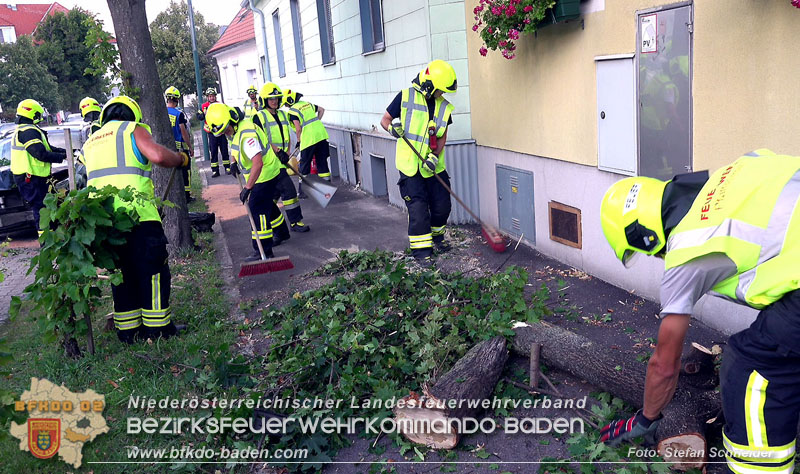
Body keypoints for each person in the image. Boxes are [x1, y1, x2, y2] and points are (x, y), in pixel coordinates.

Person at [598, 149, 800, 474]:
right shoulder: (731, 173)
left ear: (645, 236)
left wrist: (647, 418)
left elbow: (665, 365)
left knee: (749, 365)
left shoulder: (686, 251)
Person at [82, 95, 188, 343]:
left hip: (107, 223)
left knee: (122, 275)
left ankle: (129, 333)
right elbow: (158, 157)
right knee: (152, 272)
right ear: (133, 115)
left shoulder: (91, 141)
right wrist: (180, 159)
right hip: (139, 217)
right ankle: (158, 330)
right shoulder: (132, 128)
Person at [379, 59, 457, 267]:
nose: (443, 94)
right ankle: (422, 251)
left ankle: (437, 237)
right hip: (410, 167)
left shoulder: (444, 107)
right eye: (440, 90)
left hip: (434, 167)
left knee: (442, 207)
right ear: (430, 85)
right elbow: (385, 120)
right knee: (419, 209)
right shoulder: (405, 97)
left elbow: (442, 136)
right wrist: (392, 129)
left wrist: (434, 156)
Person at [205, 102, 290, 261]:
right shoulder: (235, 128)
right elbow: (233, 144)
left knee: (257, 209)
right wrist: (233, 162)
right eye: (222, 132)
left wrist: (248, 188)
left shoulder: (246, 135)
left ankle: (263, 250)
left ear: (230, 121)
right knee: (267, 204)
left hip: (264, 174)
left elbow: (258, 163)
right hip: (263, 173)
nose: (225, 133)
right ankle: (282, 232)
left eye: (226, 130)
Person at [254, 82, 310, 237]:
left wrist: (287, 152)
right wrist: (277, 151)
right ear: (265, 100)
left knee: (273, 195)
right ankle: (295, 222)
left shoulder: (283, 115)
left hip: (281, 160)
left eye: (277, 99)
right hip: (269, 163)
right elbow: (262, 138)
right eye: (271, 99)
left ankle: (276, 227)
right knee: (289, 191)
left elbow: (287, 133)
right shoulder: (259, 117)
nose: (274, 101)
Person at [10, 99, 67, 238]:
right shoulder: (28, 131)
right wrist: (62, 157)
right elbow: (40, 153)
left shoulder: (28, 130)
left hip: (35, 177)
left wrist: (67, 153)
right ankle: (46, 242)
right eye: (38, 114)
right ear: (32, 114)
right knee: (41, 210)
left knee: (49, 206)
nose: (40, 118)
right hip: (31, 178)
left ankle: (54, 239)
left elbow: (47, 148)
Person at [283, 89, 331, 199]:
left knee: (304, 165)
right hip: (321, 135)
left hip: (308, 139)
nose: (286, 106)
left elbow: (298, 129)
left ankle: (302, 191)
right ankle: (327, 191)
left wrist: (299, 141)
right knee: (322, 163)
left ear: (289, 101)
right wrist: (316, 122)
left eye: (286, 103)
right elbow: (322, 110)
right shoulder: (307, 104)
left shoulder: (293, 111)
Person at [165, 86, 195, 203]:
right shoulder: (179, 114)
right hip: (180, 149)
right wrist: (190, 147)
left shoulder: (162, 113)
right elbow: (183, 132)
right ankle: (187, 197)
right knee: (185, 172)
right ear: (177, 99)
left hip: (167, 149)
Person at [200, 87, 230, 177]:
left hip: (221, 130)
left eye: (213, 96)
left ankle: (227, 167)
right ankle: (215, 170)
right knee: (213, 151)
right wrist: (203, 114)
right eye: (210, 96)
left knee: (224, 149)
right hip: (211, 132)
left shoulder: (220, 104)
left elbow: (227, 112)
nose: (212, 98)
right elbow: (199, 116)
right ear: (207, 97)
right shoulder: (204, 106)